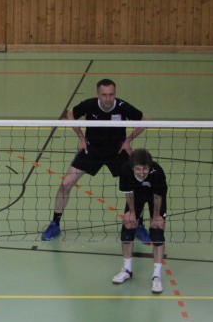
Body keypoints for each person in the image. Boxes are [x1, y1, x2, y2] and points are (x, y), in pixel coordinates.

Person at [42, 78, 147, 241]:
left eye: (111, 94)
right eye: (104, 95)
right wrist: (81, 137)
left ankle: (138, 224)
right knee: (65, 184)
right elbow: (70, 114)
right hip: (91, 150)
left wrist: (129, 140)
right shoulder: (89, 105)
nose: (108, 98)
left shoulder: (122, 106)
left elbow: (145, 120)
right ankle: (55, 224)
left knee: (134, 188)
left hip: (117, 151)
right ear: (98, 94)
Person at [112, 148, 168, 294]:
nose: (142, 173)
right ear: (132, 168)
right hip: (136, 196)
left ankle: (156, 276)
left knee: (157, 232)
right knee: (128, 227)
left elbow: (158, 197)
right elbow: (129, 193)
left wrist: (156, 217)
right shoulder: (125, 170)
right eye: (138, 169)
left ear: (149, 166)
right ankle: (127, 269)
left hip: (155, 198)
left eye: (145, 169)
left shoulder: (157, 173)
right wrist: (131, 213)